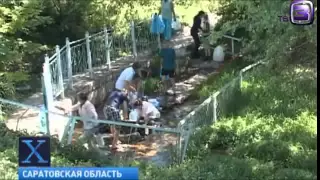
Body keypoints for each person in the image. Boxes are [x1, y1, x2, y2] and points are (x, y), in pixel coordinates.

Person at [159, 41, 176, 106]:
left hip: (165, 68)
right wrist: (176, 67)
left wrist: (161, 66)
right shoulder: (172, 50)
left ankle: (165, 91)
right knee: (172, 80)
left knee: (164, 80)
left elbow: (161, 60)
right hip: (171, 68)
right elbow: (175, 59)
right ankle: (174, 92)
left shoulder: (162, 51)